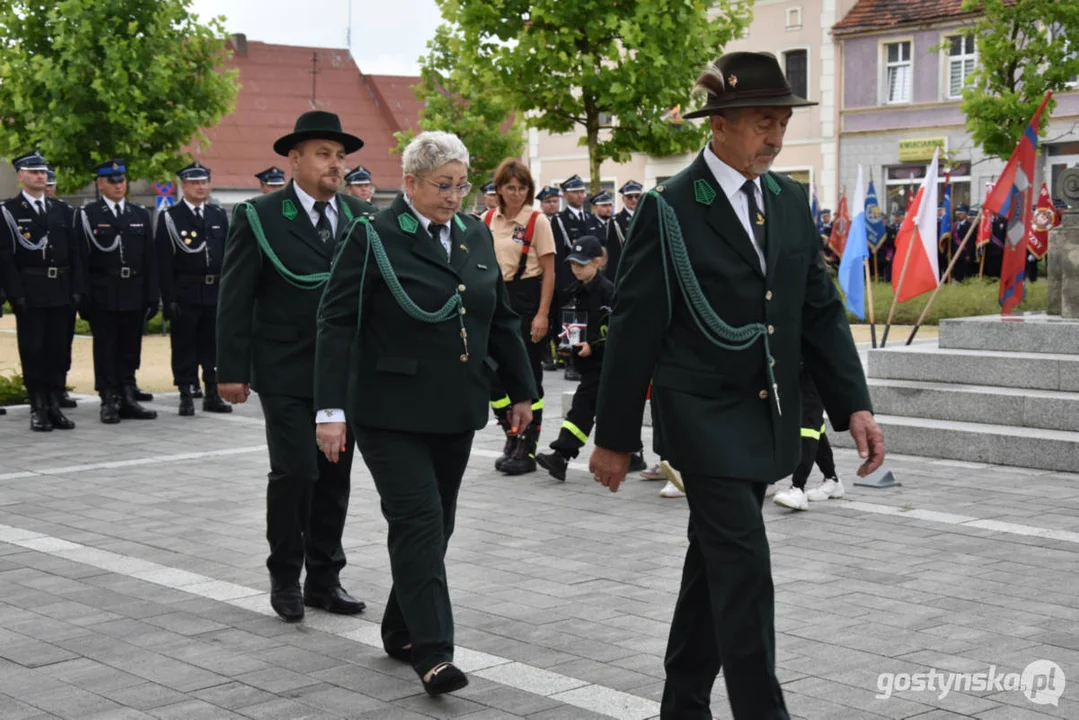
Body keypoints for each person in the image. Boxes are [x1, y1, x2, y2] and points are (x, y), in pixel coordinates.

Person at [588, 52, 884, 720]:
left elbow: (815, 307)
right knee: (744, 569)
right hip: (700, 418)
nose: (774, 138)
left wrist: (852, 405)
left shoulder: (783, 198)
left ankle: (682, 702)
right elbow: (634, 328)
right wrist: (611, 438)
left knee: (713, 567)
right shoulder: (669, 207)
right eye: (760, 122)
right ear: (718, 124)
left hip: (767, 416)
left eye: (781, 122)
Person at [313, 130, 536, 696]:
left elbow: (500, 318)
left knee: (440, 524)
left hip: (456, 406)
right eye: (443, 185)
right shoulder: (375, 236)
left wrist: (520, 393)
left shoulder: (473, 235)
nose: (455, 196)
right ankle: (434, 655)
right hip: (389, 410)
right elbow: (337, 322)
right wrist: (330, 411)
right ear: (409, 182)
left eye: (463, 185)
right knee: (417, 522)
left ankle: (399, 627)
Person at [216, 111, 377, 623]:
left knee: (334, 477)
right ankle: (285, 574)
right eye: (325, 154)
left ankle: (324, 579)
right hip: (285, 368)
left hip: (343, 372)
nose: (336, 165)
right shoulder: (260, 215)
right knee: (295, 473)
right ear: (294, 159)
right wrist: (230, 368)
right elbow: (235, 297)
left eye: (341, 156)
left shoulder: (360, 217)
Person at [482, 158, 555, 476]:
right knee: (492, 375)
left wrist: (542, 314)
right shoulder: (486, 219)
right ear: (498, 188)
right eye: (509, 187)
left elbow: (550, 272)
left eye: (522, 187)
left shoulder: (537, 220)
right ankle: (510, 434)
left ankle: (527, 444)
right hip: (493, 301)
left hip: (526, 300)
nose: (515, 193)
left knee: (528, 376)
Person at [0, 151, 83, 431]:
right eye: (33, 172)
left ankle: (54, 403)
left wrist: (76, 289)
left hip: (60, 289)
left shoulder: (61, 210)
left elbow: (75, 253)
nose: (40, 176)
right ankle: (37, 405)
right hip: (31, 291)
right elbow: (5, 258)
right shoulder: (9, 212)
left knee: (58, 350)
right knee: (33, 350)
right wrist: (16, 294)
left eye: (43, 171)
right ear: (21, 176)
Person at [79, 159, 159, 424]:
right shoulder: (88, 215)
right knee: (106, 348)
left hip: (133, 290)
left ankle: (127, 394)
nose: (118, 185)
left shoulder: (138, 214)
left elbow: (149, 259)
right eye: (112, 181)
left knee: (129, 347)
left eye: (122, 180)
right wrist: (83, 296)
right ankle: (108, 398)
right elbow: (81, 260)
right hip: (104, 291)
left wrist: (152, 294)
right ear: (100, 184)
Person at [155, 161, 231, 416]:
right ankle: (186, 393)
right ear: (184, 185)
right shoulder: (171, 217)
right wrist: (168, 298)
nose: (201, 187)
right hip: (185, 290)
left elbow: (228, 255)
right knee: (184, 345)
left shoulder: (217, 215)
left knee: (213, 345)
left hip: (214, 290)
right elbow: (163, 261)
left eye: (204, 182)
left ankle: (212, 392)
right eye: (195, 182)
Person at [535, 235, 612, 480]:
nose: (576, 269)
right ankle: (634, 453)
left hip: (606, 364)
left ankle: (561, 456)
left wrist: (593, 345)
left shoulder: (608, 292)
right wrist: (563, 345)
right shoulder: (574, 291)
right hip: (587, 365)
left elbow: (617, 330)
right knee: (606, 410)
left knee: (582, 407)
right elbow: (570, 325)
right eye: (573, 264)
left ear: (597, 262)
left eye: (581, 264)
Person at [772, 365, 845, 511]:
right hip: (792, 365)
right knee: (814, 425)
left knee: (808, 423)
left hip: (813, 366)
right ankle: (832, 480)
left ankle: (798, 488)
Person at [605, 180, 642, 282]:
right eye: (630, 197)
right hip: (626, 271)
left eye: (637, 196)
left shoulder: (647, 217)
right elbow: (613, 253)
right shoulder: (615, 221)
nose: (634, 200)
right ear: (623, 199)